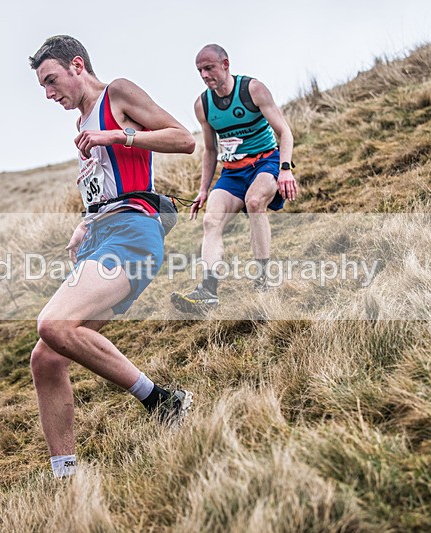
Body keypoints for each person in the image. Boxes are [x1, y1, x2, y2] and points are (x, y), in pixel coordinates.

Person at [28, 35, 196, 478]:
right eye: (43, 87)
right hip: (103, 237)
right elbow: (106, 190)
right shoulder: (81, 123)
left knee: (52, 324)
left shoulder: (115, 94)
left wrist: (116, 134)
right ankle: (65, 475)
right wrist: (84, 222)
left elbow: (183, 139)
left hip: (134, 236)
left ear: (76, 65)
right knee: (46, 358)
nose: (49, 94)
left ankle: (160, 399)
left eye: (51, 81)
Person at [171, 44, 298, 314]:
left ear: (225, 64)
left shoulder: (253, 90)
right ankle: (208, 291)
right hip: (232, 172)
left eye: (209, 68)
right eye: (200, 71)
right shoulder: (203, 105)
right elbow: (210, 151)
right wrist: (203, 190)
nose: (204, 75)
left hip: (266, 161)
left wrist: (285, 168)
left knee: (254, 203)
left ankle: (264, 278)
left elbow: (285, 132)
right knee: (210, 219)